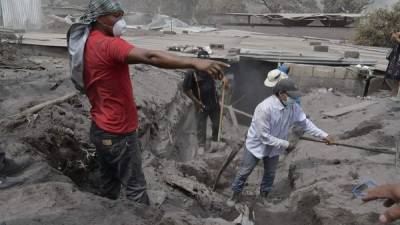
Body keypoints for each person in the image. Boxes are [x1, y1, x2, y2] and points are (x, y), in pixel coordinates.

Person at [67, 0, 228, 205]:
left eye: (121, 14)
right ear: (98, 18)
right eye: (115, 16)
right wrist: (194, 62)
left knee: (109, 183)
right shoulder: (108, 44)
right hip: (119, 132)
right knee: (135, 189)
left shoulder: (88, 41)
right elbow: (150, 56)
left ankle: (108, 212)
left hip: (100, 128)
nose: (121, 20)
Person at [228, 79, 334, 206]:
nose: (294, 99)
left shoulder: (293, 107)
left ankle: (263, 197)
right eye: (291, 96)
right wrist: (286, 144)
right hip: (257, 145)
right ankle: (235, 195)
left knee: (270, 173)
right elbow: (264, 137)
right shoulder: (265, 108)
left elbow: (305, 123)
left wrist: (324, 135)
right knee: (245, 171)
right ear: (281, 93)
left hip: (274, 147)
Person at [183, 50, 227, 155]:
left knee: (217, 124)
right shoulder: (191, 73)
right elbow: (186, 89)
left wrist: (224, 79)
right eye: (202, 60)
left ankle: (214, 142)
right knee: (201, 126)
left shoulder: (211, 69)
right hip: (201, 105)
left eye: (206, 60)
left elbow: (221, 76)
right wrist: (196, 102)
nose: (205, 63)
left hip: (214, 103)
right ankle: (201, 146)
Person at [386, 32, 400, 102]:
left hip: (398, 63)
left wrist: (397, 37)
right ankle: (393, 94)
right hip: (395, 62)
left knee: (398, 80)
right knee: (396, 80)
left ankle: (396, 96)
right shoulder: (396, 43)